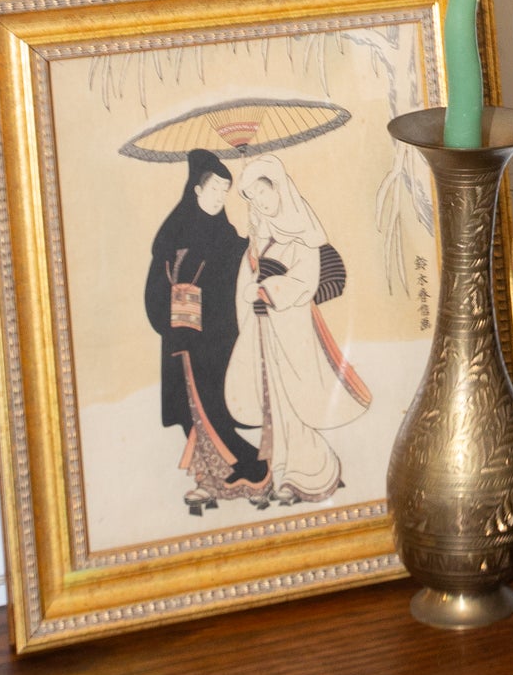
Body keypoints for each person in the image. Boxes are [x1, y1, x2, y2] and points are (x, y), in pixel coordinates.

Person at [224, 154, 371, 505]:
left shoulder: (303, 233)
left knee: (295, 401)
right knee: (273, 402)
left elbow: (305, 282)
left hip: (293, 330)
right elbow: (247, 278)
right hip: (265, 332)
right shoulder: (259, 235)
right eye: (253, 197)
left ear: (278, 189)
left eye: (263, 192)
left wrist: (267, 289)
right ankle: (280, 472)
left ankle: (310, 472)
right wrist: (250, 280)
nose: (261, 202)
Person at [143, 149, 269, 514]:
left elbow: (241, 262)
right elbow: (155, 285)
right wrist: (168, 319)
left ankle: (250, 471)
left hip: (214, 340)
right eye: (214, 189)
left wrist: (255, 238)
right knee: (188, 412)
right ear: (196, 189)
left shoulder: (225, 234)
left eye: (224, 192)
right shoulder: (171, 234)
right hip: (179, 336)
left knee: (213, 408)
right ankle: (209, 480)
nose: (218, 198)